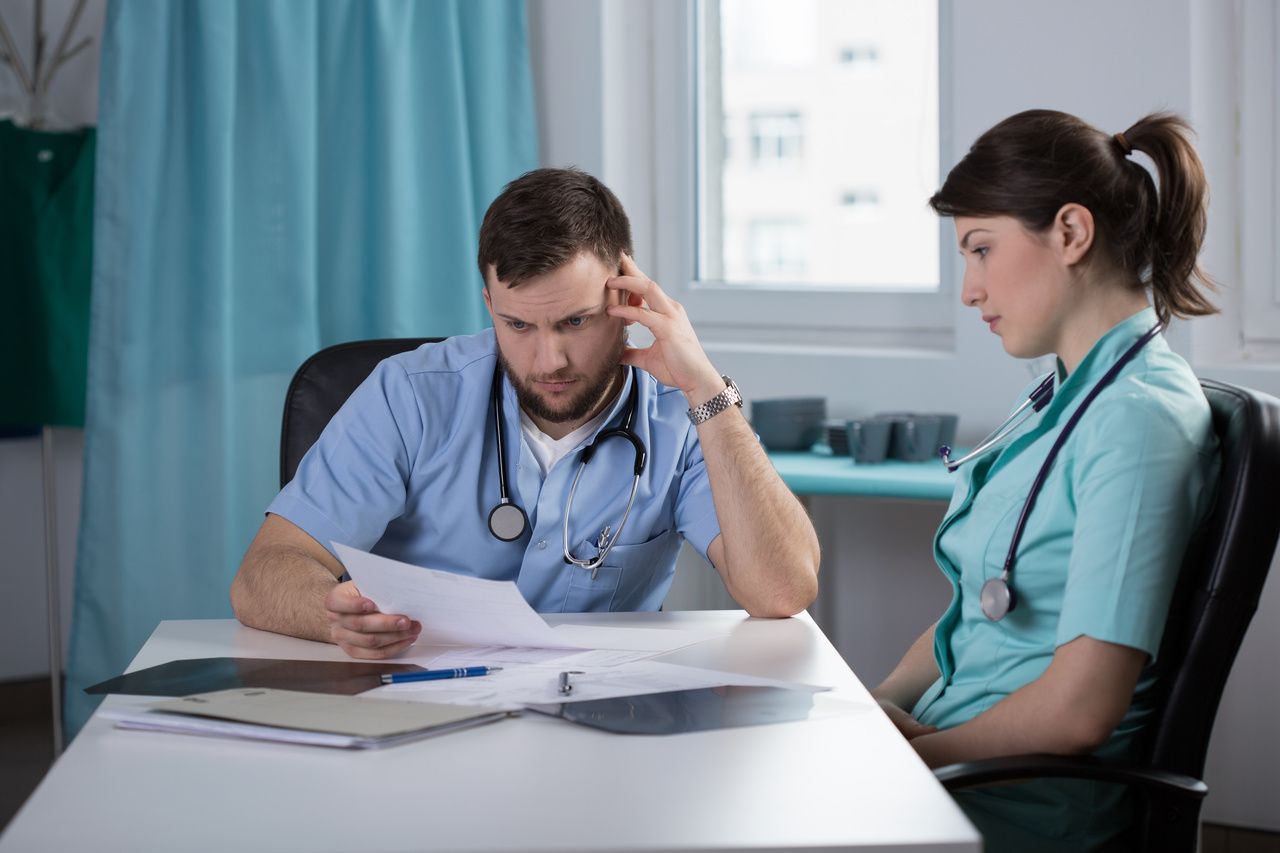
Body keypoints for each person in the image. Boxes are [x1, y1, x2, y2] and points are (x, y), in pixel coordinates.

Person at [230, 167, 820, 658]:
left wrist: (707, 390)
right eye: (517, 324)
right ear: (488, 301)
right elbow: (263, 577)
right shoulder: (409, 396)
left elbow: (781, 591)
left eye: (575, 321)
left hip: (604, 723)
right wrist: (333, 617)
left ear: (626, 294)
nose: (548, 360)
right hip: (420, 709)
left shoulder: (682, 413)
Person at [870, 110, 1221, 851]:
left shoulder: (1138, 421)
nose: (969, 290)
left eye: (982, 250)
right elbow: (977, 610)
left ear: (1070, 233)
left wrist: (906, 761)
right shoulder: (1062, 396)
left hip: (1019, 805)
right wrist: (871, 713)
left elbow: (1081, 710)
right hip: (954, 763)